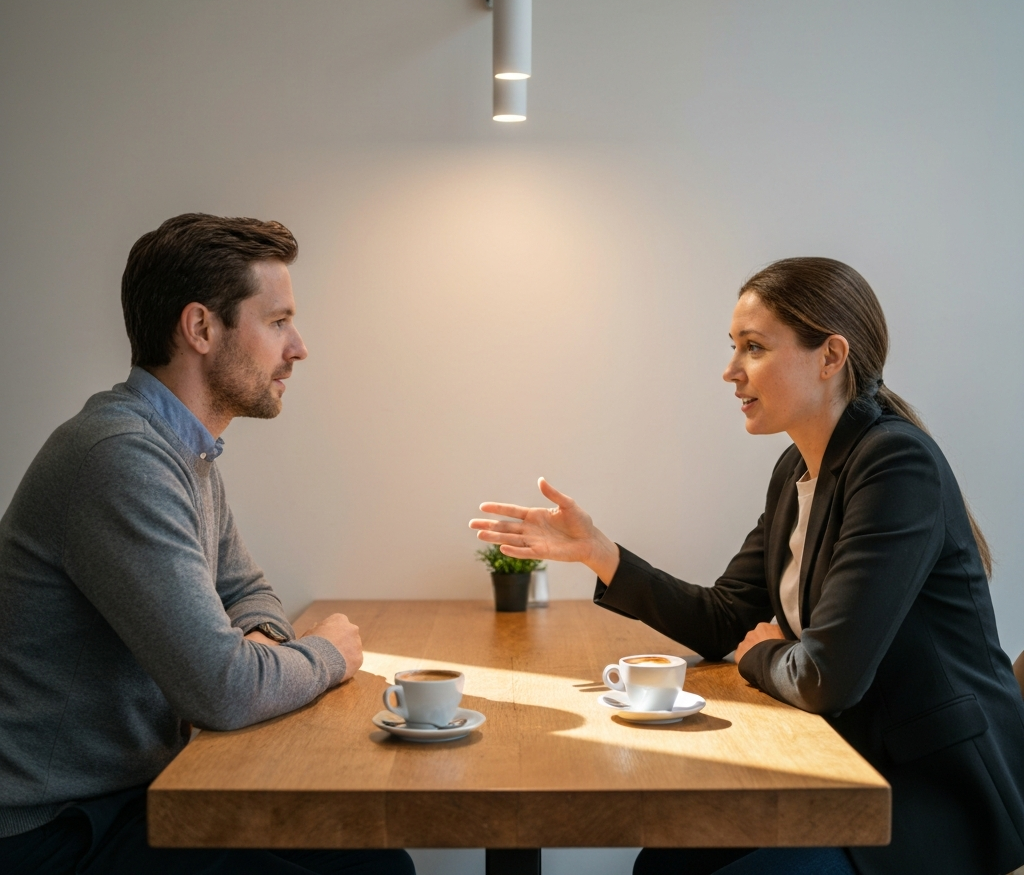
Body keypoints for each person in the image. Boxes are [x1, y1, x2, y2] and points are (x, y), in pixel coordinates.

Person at [470, 257, 1024, 875]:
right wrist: (597, 552)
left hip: (936, 792)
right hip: (847, 766)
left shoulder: (896, 464)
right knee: (664, 864)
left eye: (754, 349)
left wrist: (761, 654)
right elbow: (725, 618)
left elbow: (825, 678)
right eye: (734, 348)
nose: (731, 372)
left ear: (831, 356)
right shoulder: (796, 472)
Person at [0, 214, 414, 875]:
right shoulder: (119, 457)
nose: (298, 347)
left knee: (372, 860)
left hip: (135, 793)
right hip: (57, 828)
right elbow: (221, 690)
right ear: (200, 328)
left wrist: (261, 647)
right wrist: (326, 653)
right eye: (277, 322)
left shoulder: (183, 452)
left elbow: (246, 591)